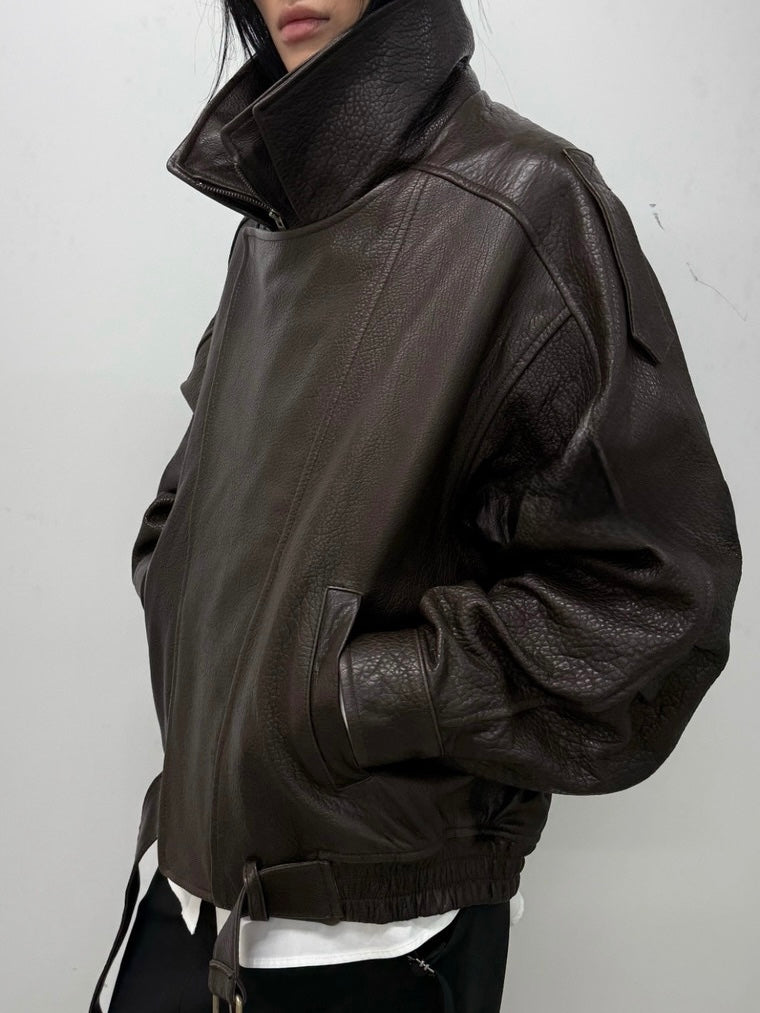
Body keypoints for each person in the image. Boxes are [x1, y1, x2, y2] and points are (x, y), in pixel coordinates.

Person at [89, 0, 743, 1010]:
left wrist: (351, 697)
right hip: (178, 900)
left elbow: (652, 596)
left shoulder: (528, 204)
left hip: (372, 943)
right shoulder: (274, 221)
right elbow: (197, 508)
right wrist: (178, 586)